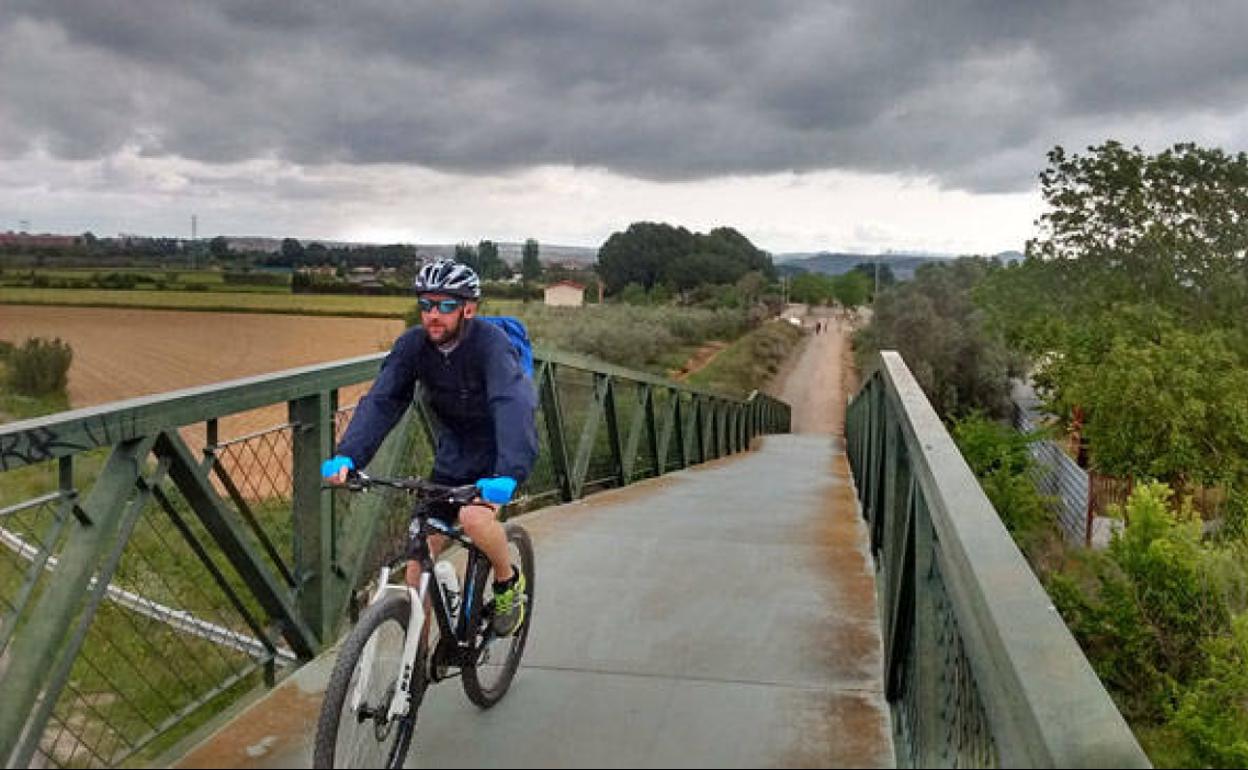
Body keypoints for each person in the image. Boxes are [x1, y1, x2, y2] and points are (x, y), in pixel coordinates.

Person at [321, 258, 539, 636]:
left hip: (498, 454)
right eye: (426, 304)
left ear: (468, 308)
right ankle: (414, 677)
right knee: (416, 565)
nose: (433, 315)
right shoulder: (413, 346)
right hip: (453, 455)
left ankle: (507, 583)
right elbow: (383, 400)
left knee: (474, 519)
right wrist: (349, 455)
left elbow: (512, 403)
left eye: (446, 305)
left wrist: (509, 472)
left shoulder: (492, 346)